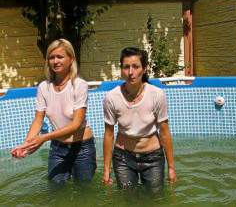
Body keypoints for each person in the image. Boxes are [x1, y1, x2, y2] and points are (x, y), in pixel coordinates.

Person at [11, 38, 97, 183]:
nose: (55, 61)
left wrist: (44, 138)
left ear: (71, 59)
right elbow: (38, 121)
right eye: (51, 57)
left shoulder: (79, 85)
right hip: (58, 148)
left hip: (82, 148)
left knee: (84, 191)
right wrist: (25, 146)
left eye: (60, 56)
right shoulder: (44, 87)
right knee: (55, 190)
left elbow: (76, 124)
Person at [102, 47, 177, 192]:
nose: (131, 72)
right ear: (121, 69)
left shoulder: (157, 95)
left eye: (136, 66)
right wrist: (106, 170)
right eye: (126, 67)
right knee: (127, 198)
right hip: (123, 158)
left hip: (153, 157)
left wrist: (171, 167)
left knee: (155, 199)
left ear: (144, 69)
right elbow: (109, 134)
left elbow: (165, 132)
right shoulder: (111, 97)